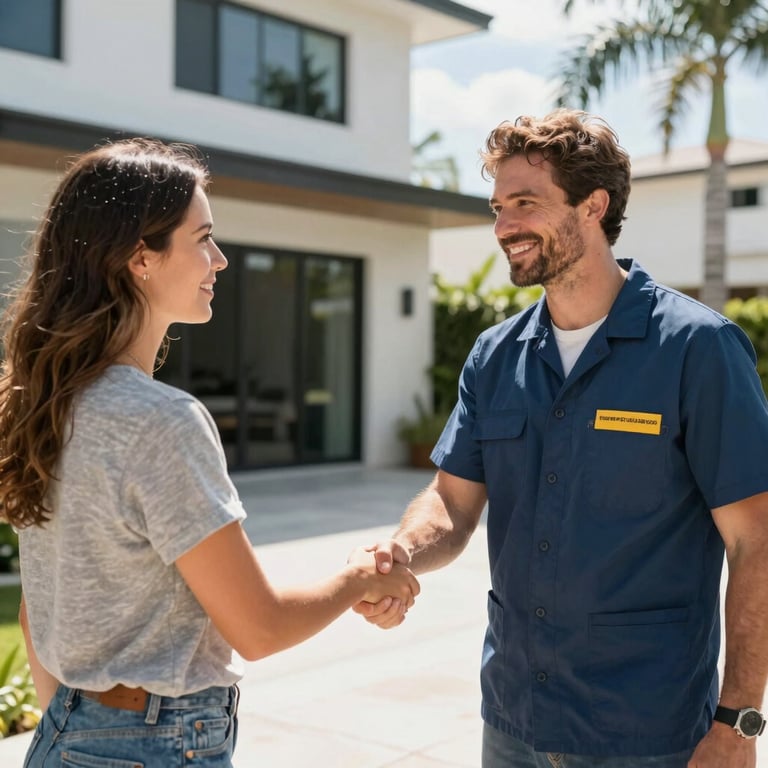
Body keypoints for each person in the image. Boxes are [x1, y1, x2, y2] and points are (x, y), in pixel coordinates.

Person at [353, 109, 768, 767]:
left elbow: (756, 543)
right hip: (514, 719)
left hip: (648, 732)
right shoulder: (495, 355)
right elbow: (452, 501)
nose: (504, 227)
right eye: (497, 207)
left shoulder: (699, 350)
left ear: (593, 207)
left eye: (525, 203)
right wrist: (402, 550)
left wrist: (738, 724)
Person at [0, 138, 419, 768]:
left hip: (66, 736)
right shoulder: (161, 421)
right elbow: (259, 628)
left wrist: (82, 727)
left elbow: (40, 608)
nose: (219, 259)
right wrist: (359, 575)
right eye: (202, 238)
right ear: (140, 258)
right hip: (153, 743)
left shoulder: (47, 404)